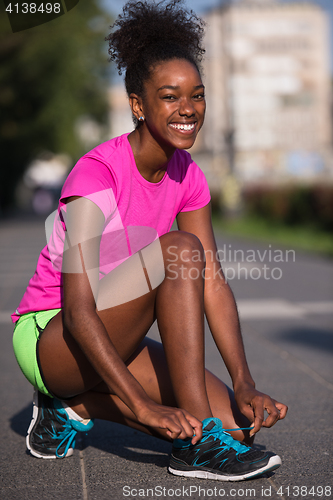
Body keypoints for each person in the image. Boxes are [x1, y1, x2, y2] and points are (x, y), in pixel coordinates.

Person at [12, 0, 287, 481]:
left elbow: (213, 284)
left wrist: (245, 382)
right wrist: (141, 406)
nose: (188, 109)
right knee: (180, 250)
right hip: (52, 336)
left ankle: (72, 406)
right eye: (170, 96)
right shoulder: (96, 173)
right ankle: (195, 447)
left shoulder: (189, 176)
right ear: (138, 105)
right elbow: (78, 311)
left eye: (197, 96)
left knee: (239, 428)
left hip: (116, 332)